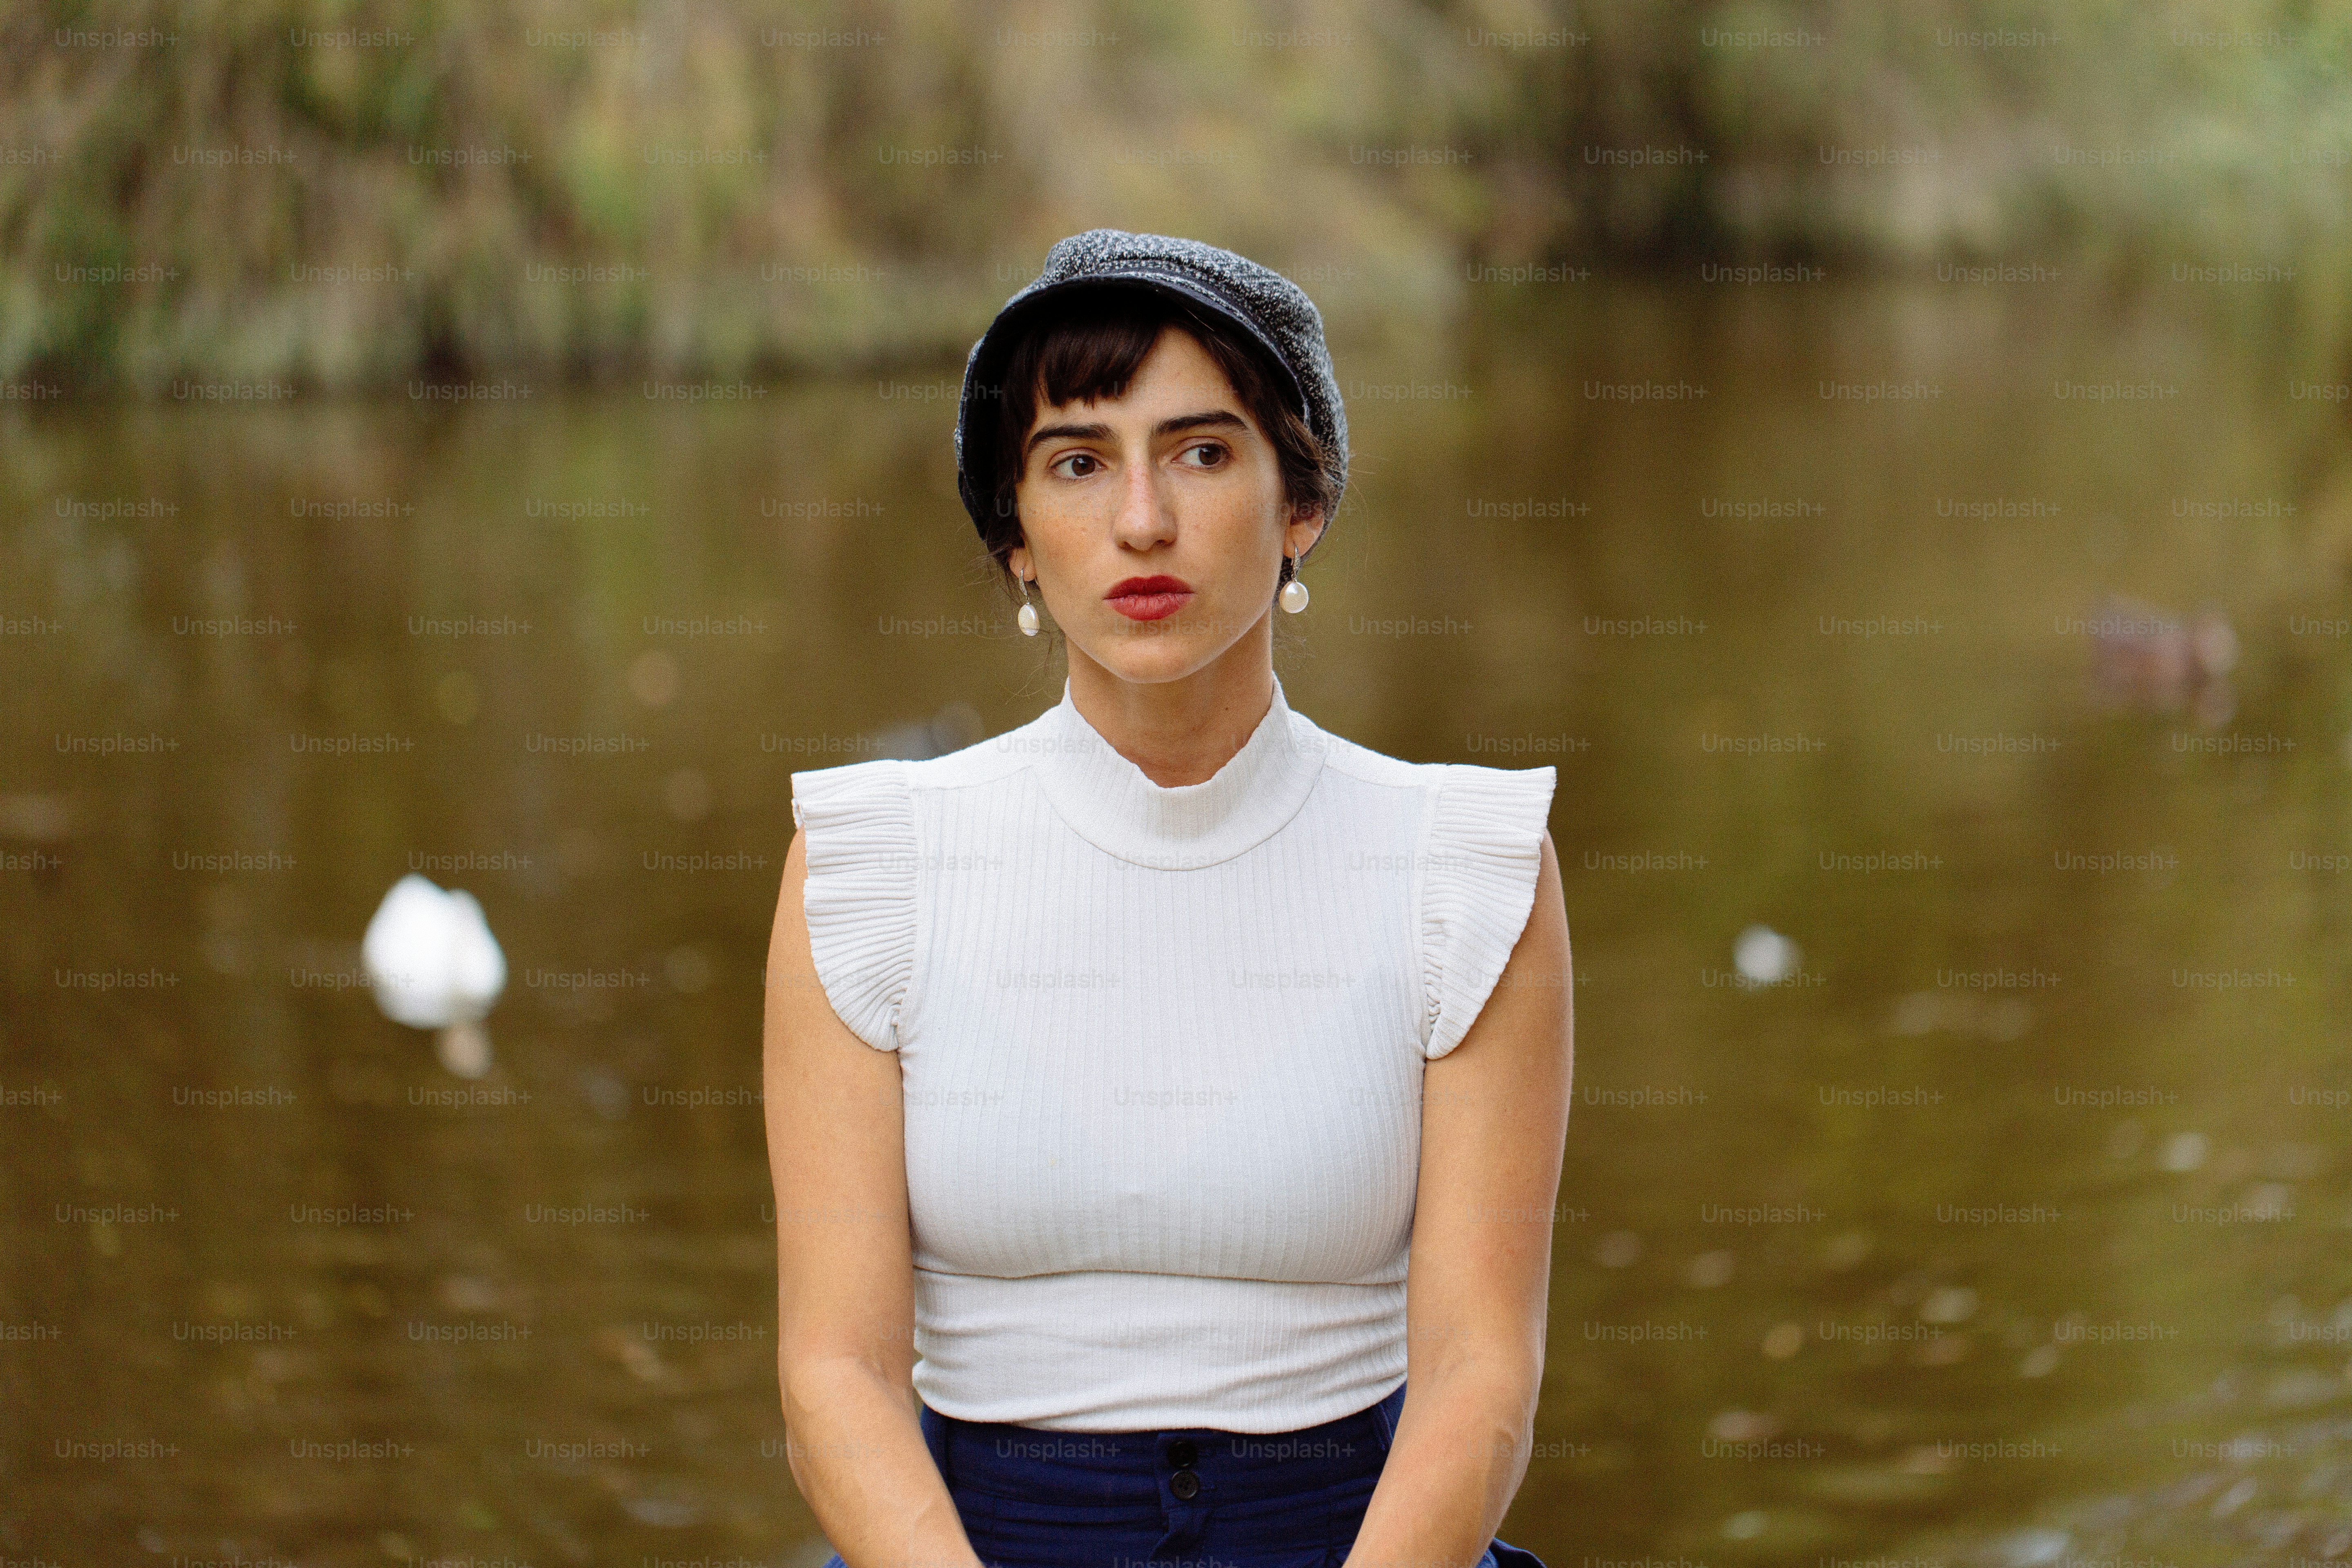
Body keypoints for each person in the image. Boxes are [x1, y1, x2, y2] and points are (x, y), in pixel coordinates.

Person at [762, 229, 1573, 1568]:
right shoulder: (870, 866)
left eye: (1202, 452)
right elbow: (832, 1380)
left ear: (1300, 501)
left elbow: (1482, 1377)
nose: (1143, 520)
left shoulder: (1464, 866)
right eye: (1078, 463)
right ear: (1017, 535)